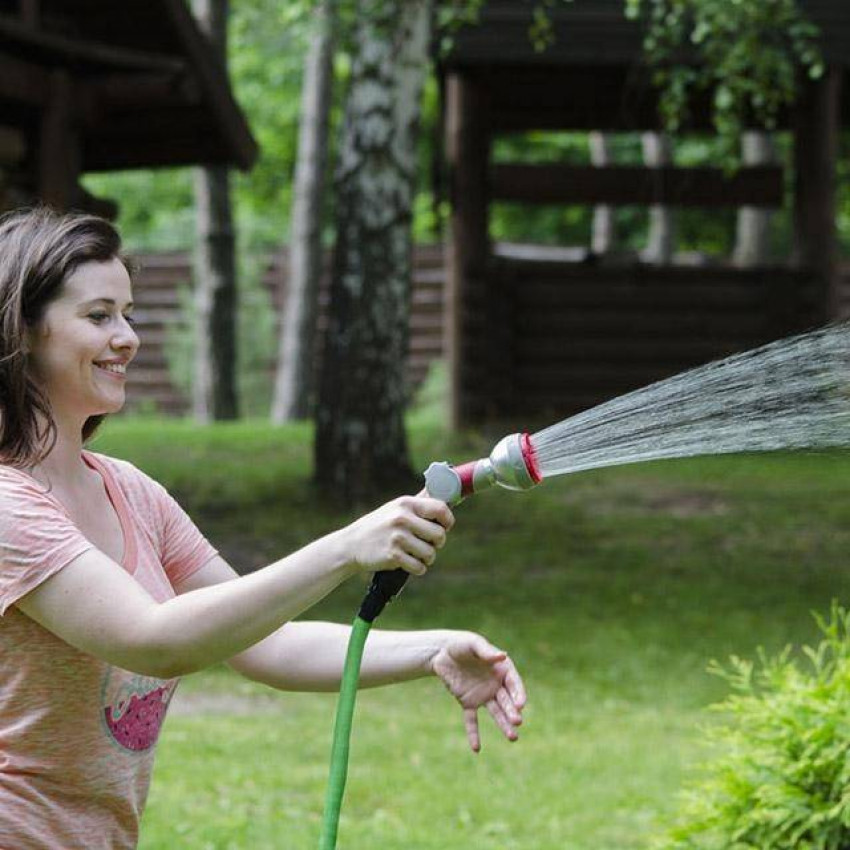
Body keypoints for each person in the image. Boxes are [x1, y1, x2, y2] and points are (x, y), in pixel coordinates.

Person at [0, 207, 526, 849]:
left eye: (128, 313)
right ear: (24, 331)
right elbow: (153, 641)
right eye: (99, 315)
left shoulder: (130, 492)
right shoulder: (9, 506)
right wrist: (345, 549)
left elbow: (266, 644)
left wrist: (433, 649)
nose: (129, 336)